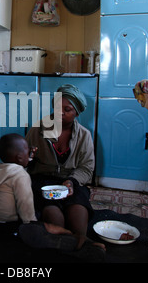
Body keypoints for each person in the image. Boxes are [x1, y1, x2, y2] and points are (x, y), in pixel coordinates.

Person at [26, 84, 106, 260]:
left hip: (71, 180)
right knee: (51, 206)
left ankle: (74, 239)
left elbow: (86, 168)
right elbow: (24, 162)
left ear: (76, 112)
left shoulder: (84, 136)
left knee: (78, 203)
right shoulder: (38, 129)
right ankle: (79, 243)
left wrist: (71, 181)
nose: (60, 113)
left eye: (67, 109)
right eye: (56, 107)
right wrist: (28, 158)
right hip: (42, 179)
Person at [0, 133, 78, 251]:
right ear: (20, 158)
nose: (30, 154)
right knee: (41, 221)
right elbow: (25, 202)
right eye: (28, 152)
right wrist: (32, 224)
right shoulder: (21, 176)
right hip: (8, 224)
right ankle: (69, 236)